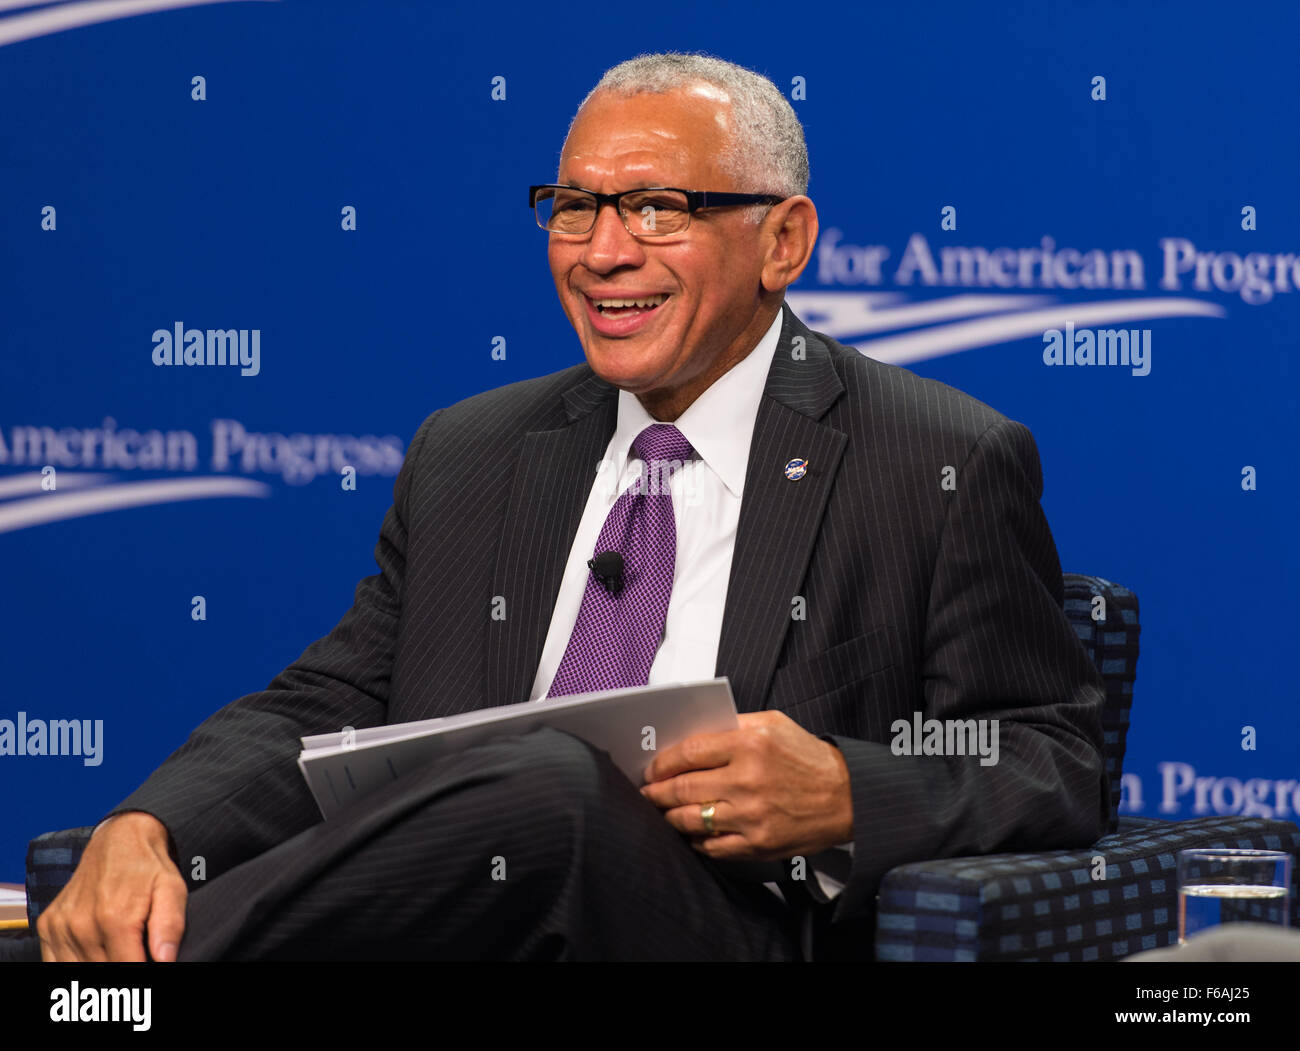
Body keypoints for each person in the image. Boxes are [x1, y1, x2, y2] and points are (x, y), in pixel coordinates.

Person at [26, 52, 1108, 963]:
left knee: (554, 780)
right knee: (515, 787)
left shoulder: (937, 458)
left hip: (723, 930)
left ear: (783, 241)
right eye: (576, 205)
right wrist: (147, 821)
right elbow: (329, 700)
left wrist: (847, 790)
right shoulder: (478, 450)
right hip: (453, 929)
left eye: (657, 208)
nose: (600, 251)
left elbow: (1051, 755)